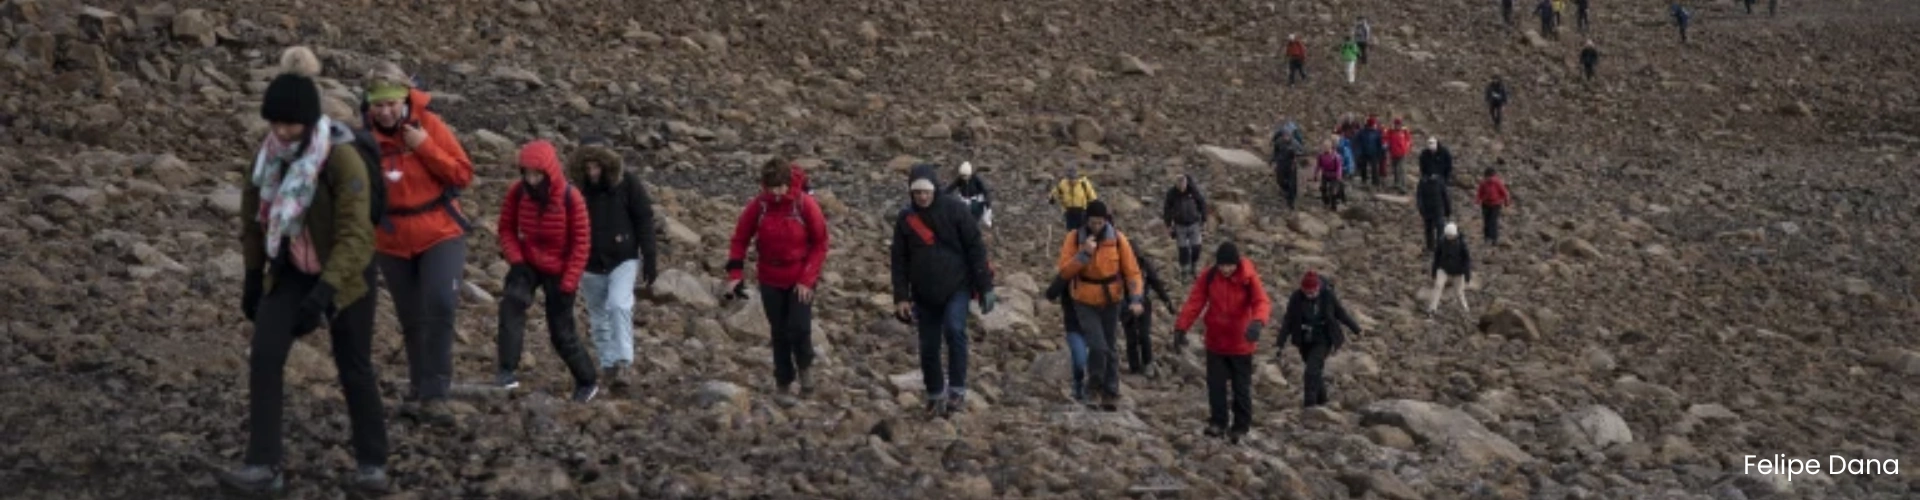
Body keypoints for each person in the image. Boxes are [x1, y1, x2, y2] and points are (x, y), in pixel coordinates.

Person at [219, 47, 389, 496]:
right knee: (266, 355)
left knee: (353, 364)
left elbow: (357, 236)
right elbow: (253, 220)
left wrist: (325, 295)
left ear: (309, 121)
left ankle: (373, 462)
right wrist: (254, 278)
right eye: (274, 123)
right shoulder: (267, 157)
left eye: (289, 124)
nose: (281, 132)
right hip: (291, 269)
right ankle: (263, 464)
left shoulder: (340, 160)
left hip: (347, 276)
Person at [363, 61, 474, 425]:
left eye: (392, 103)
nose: (386, 111)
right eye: (378, 104)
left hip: (440, 232)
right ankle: (418, 386)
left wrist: (424, 146)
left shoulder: (429, 126)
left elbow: (462, 172)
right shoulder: (364, 139)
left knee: (440, 303)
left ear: (404, 99)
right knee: (411, 318)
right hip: (392, 240)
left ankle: (436, 391)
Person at [494, 140, 599, 401]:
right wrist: (516, 261)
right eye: (527, 173)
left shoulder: (570, 198)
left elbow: (581, 243)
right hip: (528, 261)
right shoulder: (519, 193)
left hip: (560, 268)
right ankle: (506, 370)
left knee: (561, 331)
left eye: (536, 174)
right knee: (512, 303)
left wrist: (569, 282)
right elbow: (506, 228)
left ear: (549, 172)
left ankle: (587, 381)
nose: (531, 179)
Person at [892, 164, 996, 416]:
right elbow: (899, 259)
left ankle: (957, 391)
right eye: (917, 193)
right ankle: (935, 394)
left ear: (934, 189)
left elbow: (975, 248)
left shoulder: (955, 210)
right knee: (928, 346)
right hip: (923, 293)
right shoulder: (906, 219)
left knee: (955, 330)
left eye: (926, 192)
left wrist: (985, 287)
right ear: (911, 193)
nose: (922, 197)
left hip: (956, 286)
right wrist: (901, 297)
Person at [727, 158, 831, 395]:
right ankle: (783, 380)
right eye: (770, 188)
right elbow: (740, 238)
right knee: (779, 330)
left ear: (788, 183)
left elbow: (821, 242)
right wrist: (735, 272)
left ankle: (805, 368)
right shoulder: (760, 205)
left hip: (800, 276)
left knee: (800, 327)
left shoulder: (804, 204)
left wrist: (807, 279)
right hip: (770, 276)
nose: (775, 193)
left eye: (779, 187)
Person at [569, 138, 658, 388]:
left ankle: (624, 361)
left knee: (619, 305)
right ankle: (608, 365)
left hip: (623, 258)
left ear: (606, 166)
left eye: (596, 167)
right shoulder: (577, 191)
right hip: (589, 262)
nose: (592, 172)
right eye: (588, 168)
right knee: (598, 316)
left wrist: (649, 257)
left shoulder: (628, 183)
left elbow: (644, 219)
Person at [1173, 242, 1271, 442]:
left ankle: (1241, 427)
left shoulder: (1248, 279)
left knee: (1240, 387)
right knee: (1216, 385)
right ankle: (1218, 422)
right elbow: (1195, 302)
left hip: (1241, 343)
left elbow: (1261, 302)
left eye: (1230, 265)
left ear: (1236, 263)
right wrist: (1181, 327)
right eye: (1222, 265)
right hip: (1216, 342)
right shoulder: (1209, 277)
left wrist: (1258, 322)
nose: (1226, 269)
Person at [1056, 200, 1145, 411]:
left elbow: (1132, 272)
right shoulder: (1074, 238)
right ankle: (1093, 387)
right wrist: (1084, 254)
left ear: (1106, 220)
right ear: (1087, 220)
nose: (1097, 226)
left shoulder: (1117, 239)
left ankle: (1110, 391)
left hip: (1111, 300)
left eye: (1100, 222)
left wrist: (1135, 298)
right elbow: (1065, 271)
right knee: (1097, 346)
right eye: (1093, 222)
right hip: (1084, 300)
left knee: (1111, 347)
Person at [1278, 271, 1359, 408]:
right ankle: (1322, 400)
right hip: (1304, 340)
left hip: (1324, 338)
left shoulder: (1327, 295)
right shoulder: (1296, 298)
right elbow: (1288, 321)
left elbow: (1340, 313)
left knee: (1311, 370)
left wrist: (1356, 329)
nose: (1310, 295)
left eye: (1312, 292)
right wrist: (1280, 343)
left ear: (1318, 287)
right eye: (1306, 292)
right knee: (1315, 371)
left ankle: (1309, 404)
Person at [1123, 249, 1175, 377]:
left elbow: (1156, 283)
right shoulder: (1118, 266)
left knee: (1144, 334)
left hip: (1143, 303)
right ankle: (1134, 367)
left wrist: (1167, 301)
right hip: (1125, 304)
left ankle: (1148, 363)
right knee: (1131, 337)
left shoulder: (1145, 265)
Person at [1045, 276, 1091, 403]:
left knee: (1098, 359)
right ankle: (1078, 387)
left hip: (1097, 326)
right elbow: (1051, 293)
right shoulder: (1069, 273)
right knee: (1080, 362)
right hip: (1074, 327)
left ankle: (1093, 390)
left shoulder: (1103, 271)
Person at [1162, 174, 1209, 278]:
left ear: (1186, 183)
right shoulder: (1172, 194)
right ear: (1176, 184)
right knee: (1183, 249)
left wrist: (1204, 220)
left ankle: (1194, 265)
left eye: (1184, 184)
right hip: (1180, 225)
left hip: (1194, 223)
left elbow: (1202, 204)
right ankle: (1184, 270)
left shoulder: (1193, 191)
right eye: (1180, 185)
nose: (1182, 187)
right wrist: (1168, 225)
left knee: (1196, 246)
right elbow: (1167, 210)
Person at [1427, 223, 1473, 317]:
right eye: (1447, 235)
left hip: (1458, 271)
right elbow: (1437, 257)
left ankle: (1465, 310)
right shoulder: (1441, 242)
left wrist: (1467, 275)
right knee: (1438, 286)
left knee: (1459, 292)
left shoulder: (1462, 244)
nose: (1449, 237)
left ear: (1455, 235)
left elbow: (1466, 260)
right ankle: (1432, 309)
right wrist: (1434, 272)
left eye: (1451, 236)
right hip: (1444, 268)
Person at [949, 161, 993, 229]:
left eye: (965, 176)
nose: (963, 178)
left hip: (976, 200)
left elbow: (984, 190)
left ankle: (981, 222)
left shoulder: (976, 179)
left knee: (977, 212)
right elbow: (951, 187)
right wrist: (941, 193)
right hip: (965, 199)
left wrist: (987, 199)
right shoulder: (960, 179)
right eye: (962, 176)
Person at [1271, 120, 1304, 209]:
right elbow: (1275, 152)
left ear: (1291, 135)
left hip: (1291, 165)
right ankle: (1286, 192)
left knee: (1292, 184)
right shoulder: (1279, 141)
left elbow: (1302, 152)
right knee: (1280, 180)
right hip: (1281, 164)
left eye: (1288, 135)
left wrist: (1296, 153)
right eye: (1284, 134)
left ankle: (1291, 201)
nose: (1286, 136)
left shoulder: (1295, 143)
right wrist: (1273, 161)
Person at [1476, 166, 1512, 246]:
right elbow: (1480, 192)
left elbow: (1504, 192)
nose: (1489, 179)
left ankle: (1493, 239)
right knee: (1486, 222)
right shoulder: (1484, 183)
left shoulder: (1497, 182)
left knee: (1493, 222)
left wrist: (1506, 202)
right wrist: (1478, 201)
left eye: (1489, 177)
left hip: (1495, 205)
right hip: (1485, 204)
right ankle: (1487, 238)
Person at [1416, 173, 1452, 252]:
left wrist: (1421, 209)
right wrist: (1448, 210)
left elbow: (1419, 198)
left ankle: (1431, 247)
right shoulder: (1439, 181)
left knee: (1430, 229)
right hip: (1437, 208)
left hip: (1429, 209)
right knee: (1439, 228)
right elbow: (1445, 196)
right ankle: (1439, 247)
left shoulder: (1422, 182)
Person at [1354, 116, 1386, 188]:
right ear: (1370, 125)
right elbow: (1357, 142)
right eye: (1374, 125)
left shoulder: (1377, 132)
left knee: (1374, 168)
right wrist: (1358, 151)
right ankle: (1364, 180)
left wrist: (1380, 152)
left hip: (1374, 153)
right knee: (1363, 167)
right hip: (1364, 152)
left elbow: (1379, 143)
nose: (1375, 126)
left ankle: (1375, 182)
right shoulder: (1362, 132)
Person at [1315, 140, 1346, 212]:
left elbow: (1339, 167)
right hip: (1325, 174)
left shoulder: (1336, 156)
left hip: (1334, 175)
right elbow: (1318, 166)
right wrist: (1315, 174)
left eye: (1327, 147)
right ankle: (1325, 202)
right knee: (1323, 188)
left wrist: (1338, 175)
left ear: (1330, 147)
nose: (1325, 148)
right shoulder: (1321, 156)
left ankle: (1334, 206)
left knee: (1333, 191)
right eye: (1324, 147)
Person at [1385, 118, 1414, 192]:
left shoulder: (1404, 132)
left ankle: (1403, 186)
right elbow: (1386, 138)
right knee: (1395, 169)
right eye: (1396, 124)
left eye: (1399, 124)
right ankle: (1397, 183)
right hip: (1393, 153)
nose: (1398, 126)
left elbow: (1409, 140)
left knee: (1401, 169)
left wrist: (1407, 149)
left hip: (1402, 154)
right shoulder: (1391, 132)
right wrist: (1386, 145)